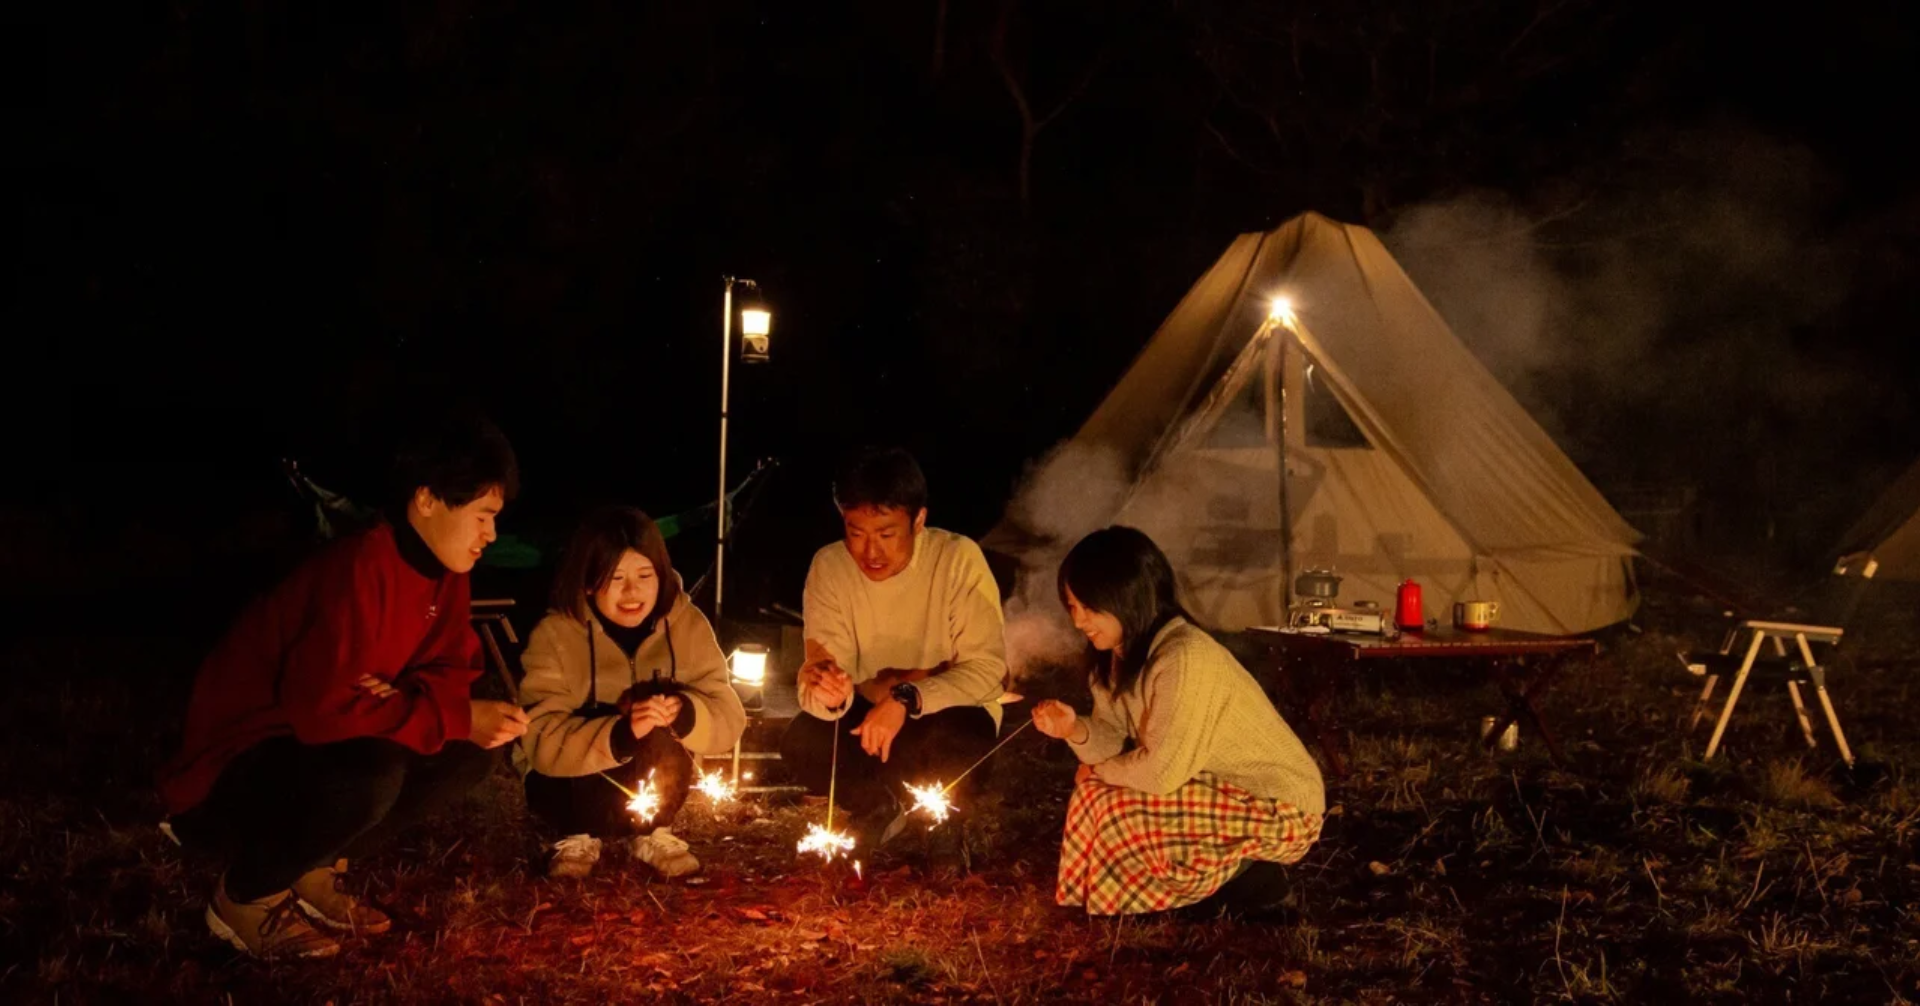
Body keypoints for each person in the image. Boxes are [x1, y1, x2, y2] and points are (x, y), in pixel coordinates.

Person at [157, 411, 528, 959]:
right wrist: (442, 711)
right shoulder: (357, 567)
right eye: (482, 516)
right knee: (374, 771)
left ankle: (310, 867)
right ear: (426, 499)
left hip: (308, 752)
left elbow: (452, 670)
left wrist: (413, 703)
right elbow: (321, 712)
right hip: (230, 773)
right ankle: (245, 896)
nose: (491, 535)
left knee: (466, 755)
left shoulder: (446, 574)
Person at [1032, 525, 1325, 918]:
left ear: (1129, 599)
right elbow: (1116, 740)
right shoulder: (1119, 655)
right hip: (1214, 785)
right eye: (1072, 607)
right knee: (1095, 796)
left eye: (1091, 607)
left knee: (1116, 803)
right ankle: (1206, 884)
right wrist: (1074, 729)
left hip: (1278, 804)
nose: (1079, 620)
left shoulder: (1184, 657)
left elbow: (1162, 771)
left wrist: (1099, 770)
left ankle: (1251, 880)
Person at [778, 446, 1009, 850]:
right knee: (803, 740)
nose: (870, 552)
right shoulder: (830, 567)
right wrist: (827, 691)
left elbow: (988, 670)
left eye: (886, 534)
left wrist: (906, 697)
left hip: (942, 710)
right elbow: (822, 666)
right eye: (856, 532)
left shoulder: (957, 560)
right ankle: (877, 807)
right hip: (869, 716)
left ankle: (942, 826)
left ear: (918, 520)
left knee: (957, 738)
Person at [515, 505, 746, 879]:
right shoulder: (556, 633)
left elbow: (728, 717)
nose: (632, 592)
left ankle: (653, 831)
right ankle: (576, 835)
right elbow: (537, 738)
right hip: (569, 789)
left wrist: (685, 712)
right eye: (615, 577)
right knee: (594, 720)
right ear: (589, 581)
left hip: (649, 784)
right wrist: (619, 733)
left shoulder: (686, 624)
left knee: (663, 715)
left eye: (644, 574)